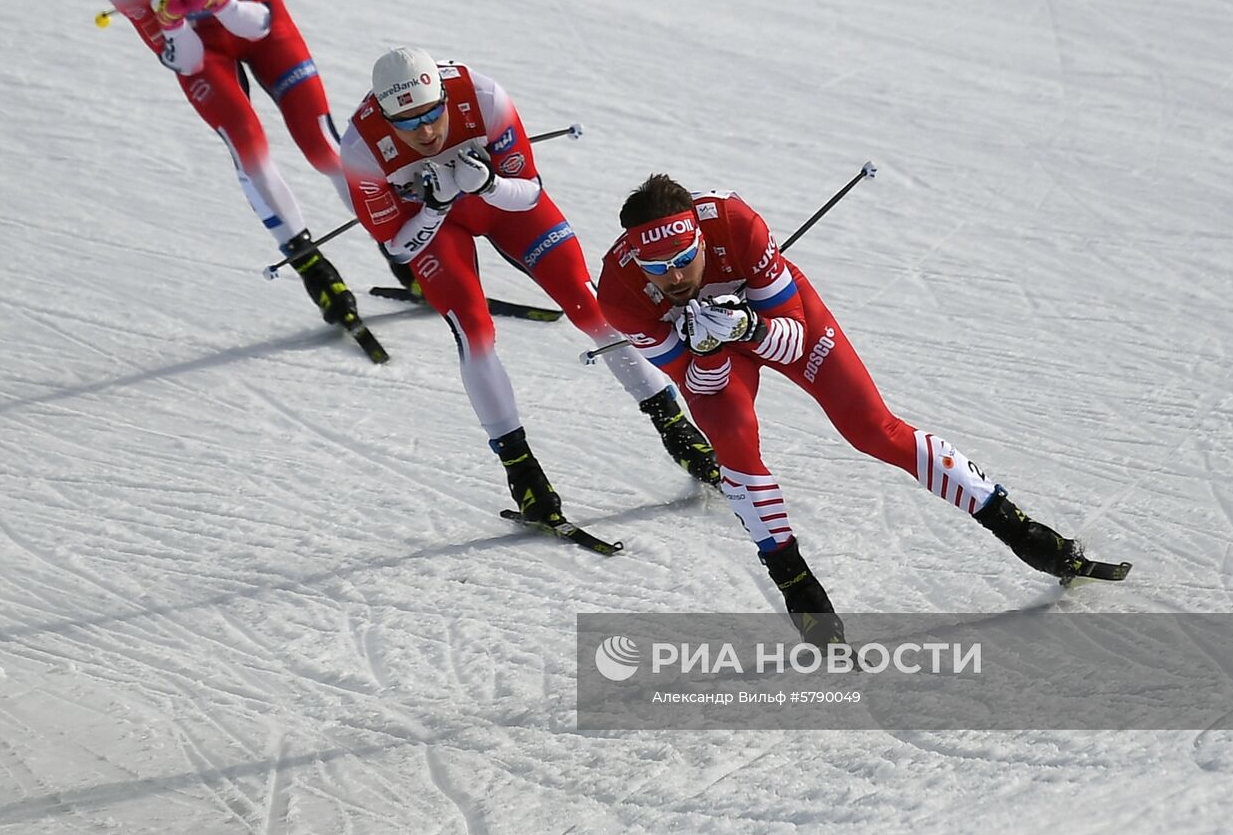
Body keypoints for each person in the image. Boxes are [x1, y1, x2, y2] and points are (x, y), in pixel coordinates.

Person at [597, 175, 1112, 645]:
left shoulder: (737, 224)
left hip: (773, 321)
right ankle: (799, 589)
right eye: (657, 269)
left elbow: (793, 341)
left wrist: (747, 327)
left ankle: (1025, 533)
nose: (676, 277)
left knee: (873, 429)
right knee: (735, 445)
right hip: (712, 354)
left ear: (701, 240)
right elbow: (694, 381)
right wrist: (708, 349)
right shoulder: (619, 293)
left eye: (685, 258)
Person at [338, 47, 719, 525]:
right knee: (474, 333)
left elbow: (531, 193)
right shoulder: (360, 149)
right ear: (384, 114)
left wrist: (488, 186)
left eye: (433, 113)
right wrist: (435, 206)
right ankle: (521, 470)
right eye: (408, 124)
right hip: (435, 227)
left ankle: (672, 423)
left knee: (591, 307)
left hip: (502, 203)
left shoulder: (482, 97)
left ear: (443, 96)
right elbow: (397, 247)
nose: (427, 131)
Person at [99, 0, 410, 333]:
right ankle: (315, 270)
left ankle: (403, 249)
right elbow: (184, 62)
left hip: (256, 28)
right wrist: (171, 21)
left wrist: (217, 0)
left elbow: (260, 25)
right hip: (205, 56)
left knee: (324, 147)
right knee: (248, 146)